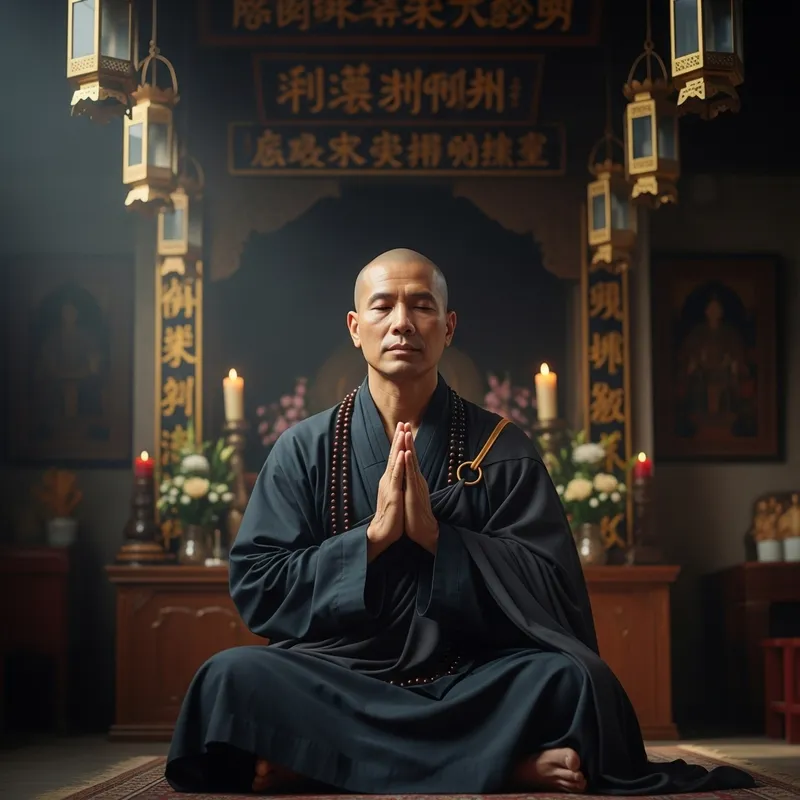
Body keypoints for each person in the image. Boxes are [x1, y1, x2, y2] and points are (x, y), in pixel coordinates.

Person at [165, 248, 754, 795]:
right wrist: (368, 542)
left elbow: (551, 593)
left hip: (467, 674)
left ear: (447, 327)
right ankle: (509, 766)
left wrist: (438, 541)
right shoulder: (304, 449)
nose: (403, 322)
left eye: (422, 306)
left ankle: (309, 765)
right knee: (228, 677)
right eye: (383, 306)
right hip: (340, 672)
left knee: (572, 680)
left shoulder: (502, 448)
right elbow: (259, 586)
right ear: (354, 327)